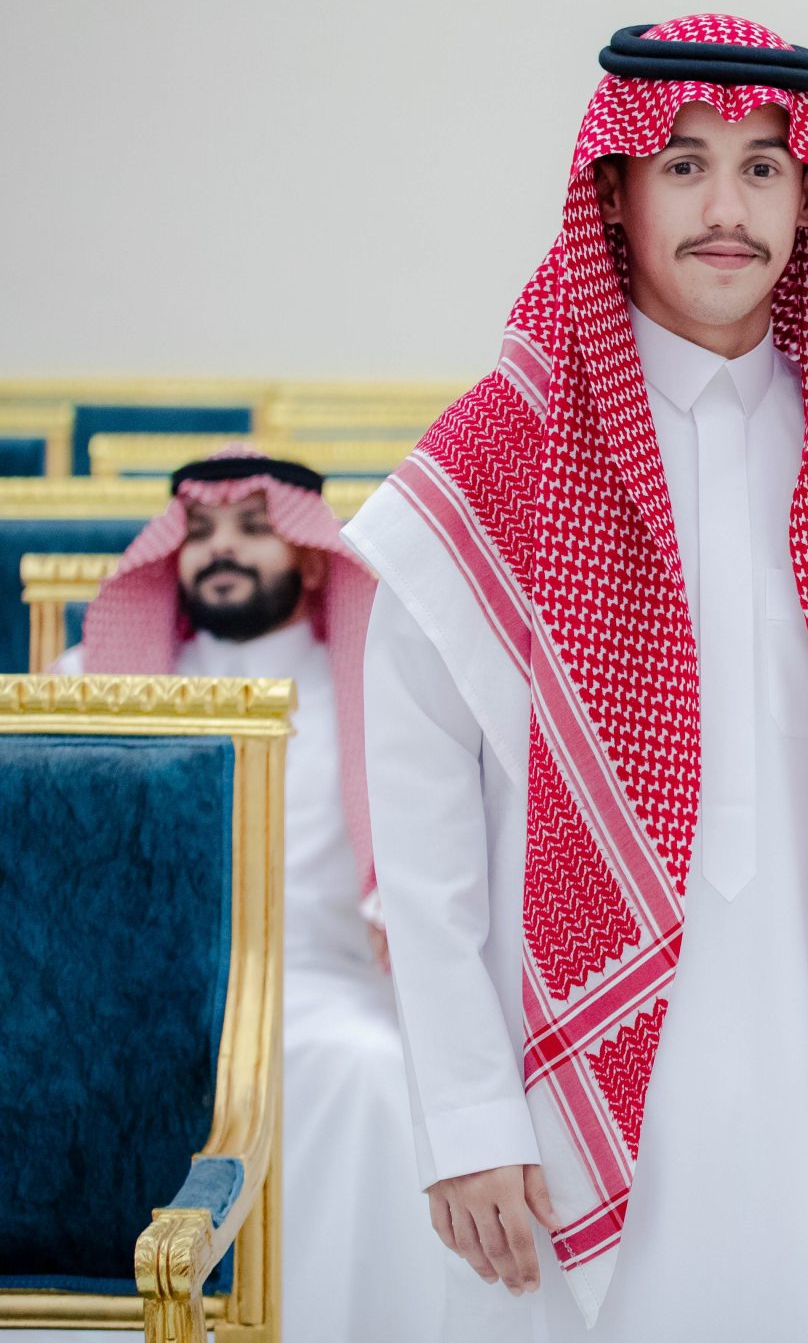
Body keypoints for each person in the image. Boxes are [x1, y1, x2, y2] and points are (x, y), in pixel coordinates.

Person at [343, 17, 808, 1340]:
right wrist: (465, 1113)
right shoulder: (499, 461)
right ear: (616, 194)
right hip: (550, 1095)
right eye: (685, 166)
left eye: (763, 169)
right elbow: (424, 841)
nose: (727, 209)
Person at [66, 449, 444, 1343]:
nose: (221, 550)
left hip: (327, 986)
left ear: (311, 557)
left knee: (373, 1073)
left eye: (250, 529)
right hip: (141, 999)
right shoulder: (98, 678)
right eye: (200, 533)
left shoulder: (375, 678)